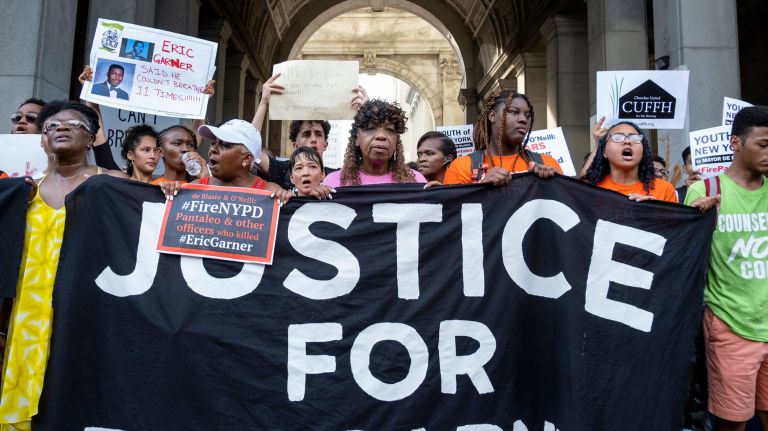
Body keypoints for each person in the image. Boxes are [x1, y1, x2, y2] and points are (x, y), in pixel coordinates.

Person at [0, 103, 123, 429]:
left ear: (91, 138)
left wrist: (169, 189)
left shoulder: (114, 184)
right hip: (29, 318)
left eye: (74, 124)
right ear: (43, 139)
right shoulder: (23, 191)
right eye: (52, 126)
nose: (61, 128)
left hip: (88, 313)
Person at [686, 105, 768, 431]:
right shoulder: (704, 192)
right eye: (763, 144)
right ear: (736, 143)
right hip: (731, 325)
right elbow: (684, 259)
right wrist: (700, 221)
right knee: (733, 423)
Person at [251, 73, 368, 189]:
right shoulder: (281, 171)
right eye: (306, 134)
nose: (313, 139)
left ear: (325, 145)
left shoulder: (337, 177)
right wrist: (263, 103)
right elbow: (250, 150)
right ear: (295, 145)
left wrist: (367, 112)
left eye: (318, 134)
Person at [443, 89, 561, 185]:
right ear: (492, 116)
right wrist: (481, 187)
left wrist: (553, 182)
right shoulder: (462, 167)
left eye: (528, 115)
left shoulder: (547, 163)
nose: (523, 119)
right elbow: (452, 206)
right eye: (514, 112)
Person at [159, 119, 291, 203]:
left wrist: (285, 199)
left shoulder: (271, 193)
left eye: (225, 145)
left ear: (246, 159)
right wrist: (171, 192)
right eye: (213, 143)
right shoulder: (193, 189)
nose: (213, 149)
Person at [322, 99, 427, 186]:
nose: (381, 136)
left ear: (396, 141)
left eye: (389, 130)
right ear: (357, 139)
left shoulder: (416, 181)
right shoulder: (332, 183)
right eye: (370, 128)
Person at [583, 121, 678, 203]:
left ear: (643, 151)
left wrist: (651, 209)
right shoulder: (591, 189)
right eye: (617, 138)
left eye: (635, 138)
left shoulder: (664, 189)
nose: (627, 141)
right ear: (604, 152)